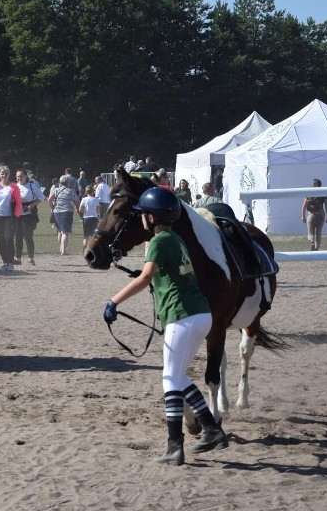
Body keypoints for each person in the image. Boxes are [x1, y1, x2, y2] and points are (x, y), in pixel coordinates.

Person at [103, 187, 227, 466]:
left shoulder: (159, 241)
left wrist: (114, 300)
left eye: (143, 215)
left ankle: (175, 447)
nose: (142, 220)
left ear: (150, 217)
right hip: (200, 316)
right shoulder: (177, 239)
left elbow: (146, 278)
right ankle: (212, 430)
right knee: (179, 376)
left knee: (170, 380)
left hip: (181, 316)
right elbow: (168, 274)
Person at [0, 166, 22, 271]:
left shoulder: (13, 187)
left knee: (8, 239)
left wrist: (15, 216)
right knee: (1, 240)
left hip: (9, 217)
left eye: (6, 174)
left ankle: (10, 263)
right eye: (2, 174)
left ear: (9, 175)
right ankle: (5, 262)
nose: (4, 176)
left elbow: (18, 204)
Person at [14, 168, 44, 266]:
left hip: (28, 215)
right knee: (18, 236)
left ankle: (31, 258)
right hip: (18, 214)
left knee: (28, 236)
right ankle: (18, 258)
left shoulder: (31, 186)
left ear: (26, 176)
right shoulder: (15, 186)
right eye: (18, 176)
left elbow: (41, 197)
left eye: (21, 176)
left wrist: (31, 205)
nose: (19, 178)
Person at [48, 175, 80, 255]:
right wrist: (78, 209)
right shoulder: (71, 191)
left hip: (57, 212)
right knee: (65, 232)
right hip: (67, 212)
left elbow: (49, 199)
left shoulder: (56, 190)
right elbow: (76, 202)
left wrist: (52, 207)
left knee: (59, 231)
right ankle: (64, 250)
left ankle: (61, 248)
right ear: (68, 182)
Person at [300, 179, 327, 251]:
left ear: (313, 185)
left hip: (311, 214)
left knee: (310, 232)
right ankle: (317, 248)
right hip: (320, 214)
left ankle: (312, 242)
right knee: (318, 232)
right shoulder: (323, 193)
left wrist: (303, 216)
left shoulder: (309, 193)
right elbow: (326, 206)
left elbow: (304, 206)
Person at [78, 184, 100, 252]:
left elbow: (80, 210)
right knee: (94, 236)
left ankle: (84, 250)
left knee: (86, 236)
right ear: (93, 192)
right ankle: (93, 249)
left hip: (86, 218)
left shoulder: (84, 199)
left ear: (86, 192)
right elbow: (98, 208)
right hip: (94, 218)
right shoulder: (96, 199)